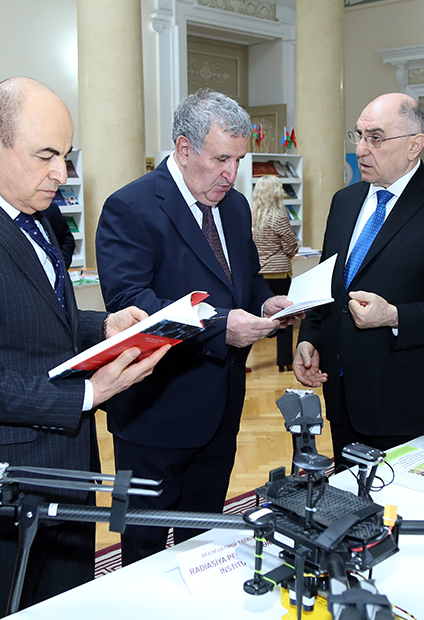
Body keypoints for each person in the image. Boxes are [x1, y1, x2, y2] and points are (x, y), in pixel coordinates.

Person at [0, 77, 168, 620]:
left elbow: (40, 321)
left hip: (68, 470)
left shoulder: (35, 217)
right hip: (4, 484)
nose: (61, 174)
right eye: (46, 156)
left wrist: (103, 326)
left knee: (70, 606)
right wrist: (90, 393)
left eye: (66, 156)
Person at [96, 88, 292, 565]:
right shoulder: (131, 207)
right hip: (155, 412)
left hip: (221, 406)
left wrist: (267, 303)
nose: (232, 173)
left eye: (238, 160)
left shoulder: (236, 206)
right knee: (144, 549)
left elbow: (245, 281)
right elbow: (132, 304)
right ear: (184, 149)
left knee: (203, 540)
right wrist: (220, 327)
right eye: (221, 159)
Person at [293, 93, 424, 470]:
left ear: (415, 145)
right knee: (349, 496)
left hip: (407, 404)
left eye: (376, 138)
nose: (361, 149)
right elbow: (329, 284)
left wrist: (396, 316)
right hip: (342, 397)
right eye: (359, 135)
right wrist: (309, 338)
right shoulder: (344, 201)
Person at [251, 174, 299, 371]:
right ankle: (284, 360)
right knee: (285, 316)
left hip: (259, 274)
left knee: (254, 316)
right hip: (279, 274)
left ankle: (243, 361)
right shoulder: (278, 216)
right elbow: (291, 246)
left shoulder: (252, 216)